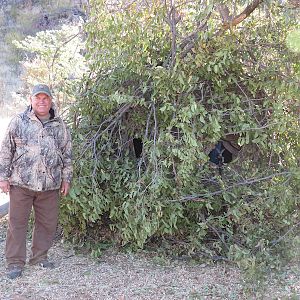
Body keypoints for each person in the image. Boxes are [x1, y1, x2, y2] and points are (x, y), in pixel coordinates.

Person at [0, 84, 73, 279]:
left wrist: (66, 179)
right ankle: (15, 262)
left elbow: (67, 154)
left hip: (50, 185)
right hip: (21, 184)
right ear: (31, 100)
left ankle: (39, 257)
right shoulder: (19, 121)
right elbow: (6, 150)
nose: (41, 101)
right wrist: (3, 177)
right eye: (37, 98)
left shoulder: (60, 125)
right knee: (17, 224)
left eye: (45, 98)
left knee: (47, 223)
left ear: (51, 101)